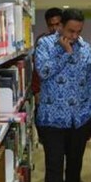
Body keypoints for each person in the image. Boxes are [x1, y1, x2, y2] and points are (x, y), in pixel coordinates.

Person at [35, 8, 91, 182]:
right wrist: (65, 53)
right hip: (52, 119)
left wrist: (90, 111)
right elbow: (43, 72)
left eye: (79, 31)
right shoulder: (44, 45)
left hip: (78, 120)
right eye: (71, 31)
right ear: (60, 25)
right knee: (54, 167)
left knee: (74, 166)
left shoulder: (86, 47)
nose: (75, 36)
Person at [31, 8, 62, 144]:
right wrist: (37, 91)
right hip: (46, 96)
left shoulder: (73, 42)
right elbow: (37, 70)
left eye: (58, 24)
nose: (54, 28)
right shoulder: (42, 42)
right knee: (48, 138)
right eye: (51, 25)